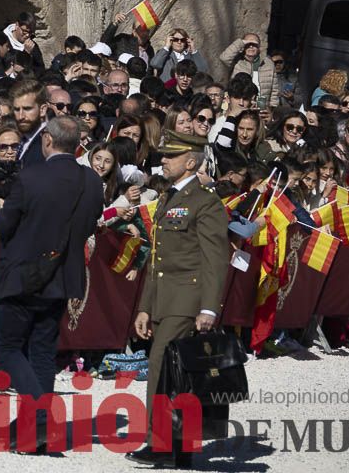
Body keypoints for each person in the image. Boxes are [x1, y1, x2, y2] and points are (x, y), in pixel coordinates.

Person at [0, 115, 103, 452]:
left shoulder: (31, 177)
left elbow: (1, 228)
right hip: (60, 275)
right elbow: (86, 226)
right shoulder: (93, 181)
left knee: (7, 347)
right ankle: (34, 429)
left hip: (23, 274)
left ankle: (40, 415)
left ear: (48, 142)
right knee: (41, 350)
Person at [127, 129, 229, 469]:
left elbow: (215, 258)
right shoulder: (169, 198)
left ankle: (161, 443)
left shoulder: (205, 201)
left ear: (190, 161)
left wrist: (209, 307)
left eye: (170, 156)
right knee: (177, 374)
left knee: (160, 366)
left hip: (188, 298)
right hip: (164, 298)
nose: (163, 161)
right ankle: (180, 446)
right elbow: (158, 258)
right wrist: (144, 307)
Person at [219, 32, 279, 107]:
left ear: (259, 47)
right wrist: (241, 42)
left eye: (254, 45)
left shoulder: (268, 63)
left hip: (261, 106)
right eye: (248, 44)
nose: (251, 46)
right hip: (240, 104)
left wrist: (272, 108)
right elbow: (224, 58)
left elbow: (274, 90)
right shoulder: (237, 61)